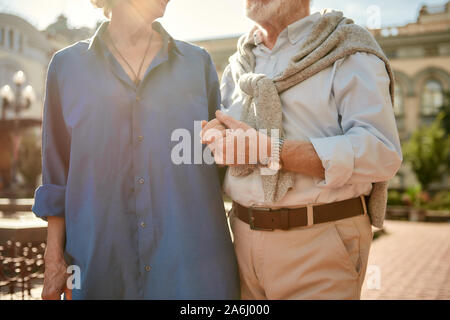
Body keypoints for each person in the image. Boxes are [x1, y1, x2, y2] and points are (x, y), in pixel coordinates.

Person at [33, 0, 239, 299]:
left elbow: (218, 162)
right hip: (99, 268)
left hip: (194, 272)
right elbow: (56, 174)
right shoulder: (66, 67)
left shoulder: (198, 64)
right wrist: (53, 257)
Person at [201, 0, 402, 299]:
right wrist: (218, 134)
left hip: (320, 242)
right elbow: (232, 139)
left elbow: (381, 151)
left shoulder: (348, 47)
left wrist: (271, 151)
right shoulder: (237, 65)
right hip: (240, 241)